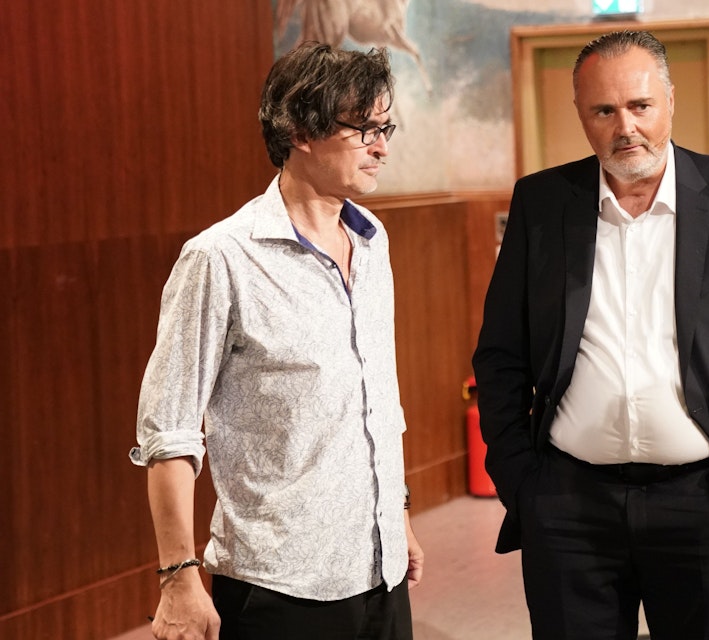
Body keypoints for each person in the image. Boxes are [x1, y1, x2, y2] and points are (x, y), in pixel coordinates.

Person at [472, 29, 709, 640]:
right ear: (581, 114)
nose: (625, 127)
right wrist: (523, 482)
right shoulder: (542, 202)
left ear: (670, 101)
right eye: (603, 111)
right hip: (568, 508)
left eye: (640, 106)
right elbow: (501, 355)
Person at [131, 42, 422, 640]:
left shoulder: (372, 241)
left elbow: (378, 400)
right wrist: (178, 577)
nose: (382, 147)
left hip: (382, 566)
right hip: (280, 584)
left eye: (385, 128)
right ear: (300, 131)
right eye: (363, 129)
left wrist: (398, 516)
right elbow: (169, 430)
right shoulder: (220, 258)